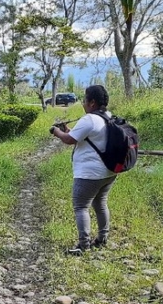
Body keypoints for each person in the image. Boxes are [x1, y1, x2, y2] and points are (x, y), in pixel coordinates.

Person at [49, 85, 117, 255]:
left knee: (81, 207)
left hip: (89, 174)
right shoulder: (108, 117)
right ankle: (102, 238)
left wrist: (56, 131)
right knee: (100, 203)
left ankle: (83, 245)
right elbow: (86, 137)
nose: (83, 103)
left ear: (92, 102)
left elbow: (69, 140)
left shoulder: (89, 119)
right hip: (108, 172)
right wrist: (68, 130)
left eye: (85, 99)